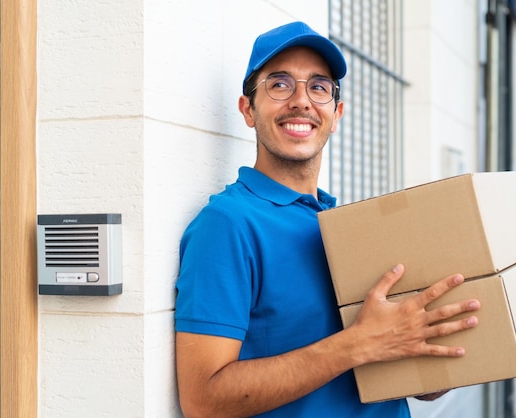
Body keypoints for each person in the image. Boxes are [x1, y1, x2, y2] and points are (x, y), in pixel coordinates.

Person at [174, 21, 480, 417]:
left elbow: (389, 361)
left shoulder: (343, 225)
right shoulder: (227, 224)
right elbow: (202, 401)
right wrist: (358, 343)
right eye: (280, 84)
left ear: (336, 114)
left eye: (318, 87)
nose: (301, 101)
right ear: (248, 109)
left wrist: (427, 353)